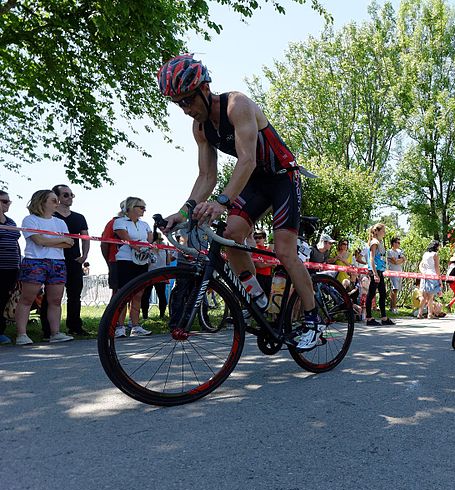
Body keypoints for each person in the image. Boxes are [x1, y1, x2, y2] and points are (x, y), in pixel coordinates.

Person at [158, 54, 322, 351]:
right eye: (178, 103)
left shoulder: (237, 105)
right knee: (230, 235)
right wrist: (183, 212)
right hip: (256, 182)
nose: (185, 109)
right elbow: (206, 176)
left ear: (204, 89)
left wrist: (222, 201)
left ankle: (313, 320)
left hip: (283, 177)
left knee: (285, 252)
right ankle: (260, 304)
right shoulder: (200, 128)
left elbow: (246, 159)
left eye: (187, 100)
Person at [15, 190, 74, 345]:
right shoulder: (30, 220)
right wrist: (59, 240)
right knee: (27, 298)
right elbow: (38, 240)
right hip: (35, 261)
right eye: (54, 200)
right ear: (42, 202)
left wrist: (50, 240)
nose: (57, 203)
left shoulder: (60, 222)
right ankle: (21, 334)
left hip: (57, 262)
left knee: (55, 300)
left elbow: (70, 243)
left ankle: (55, 333)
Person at [39, 184, 89, 337]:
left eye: (71, 194)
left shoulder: (79, 217)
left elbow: (85, 237)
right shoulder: (50, 217)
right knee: (51, 296)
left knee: (75, 295)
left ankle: (75, 326)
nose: (70, 198)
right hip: (54, 260)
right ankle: (48, 330)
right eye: (65, 195)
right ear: (57, 197)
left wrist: (85, 255)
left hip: (74, 260)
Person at [113, 197, 153, 337]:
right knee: (124, 293)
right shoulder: (119, 222)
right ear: (130, 207)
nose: (144, 210)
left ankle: (135, 325)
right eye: (141, 207)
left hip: (141, 260)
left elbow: (149, 240)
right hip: (125, 259)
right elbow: (125, 238)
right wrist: (139, 247)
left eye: (144, 207)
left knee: (138, 294)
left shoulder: (145, 224)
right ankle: (119, 326)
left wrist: (144, 250)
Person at [0, 190, 21, 345]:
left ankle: (1, 331)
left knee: (4, 299)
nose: (8, 205)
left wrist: (19, 263)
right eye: (4, 201)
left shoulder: (11, 222)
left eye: (9, 202)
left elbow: (15, 243)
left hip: (11, 267)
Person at [365, 223, 393, 326]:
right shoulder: (374, 242)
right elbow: (371, 258)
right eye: (383, 231)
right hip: (375, 270)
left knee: (383, 294)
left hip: (380, 270)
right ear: (377, 231)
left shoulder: (380, 242)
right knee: (371, 294)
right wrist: (375, 274)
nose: (384, 233)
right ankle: (369, 318)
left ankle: (384, 317)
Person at [140, 231, 171, 320]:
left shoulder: (148, 247)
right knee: (161, 295)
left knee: (146, 295)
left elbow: (145, 261)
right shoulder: (166, 247)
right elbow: (168, 262)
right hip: (161, 273)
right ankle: (162, 315)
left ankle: (145, 316)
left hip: (150, 273)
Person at [419, 240, 444, 319]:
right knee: (430, 296)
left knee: (424, 296)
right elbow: (437, 267)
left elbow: (421, 265)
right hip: (432, 275)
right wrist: (439, 279)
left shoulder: (425, 254)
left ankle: (420, 313)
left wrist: (423, 272)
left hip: (424, 275)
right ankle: (429, 314)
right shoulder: (435, 254)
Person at [387, 236, 405, 313]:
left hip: (399, 272)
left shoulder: (399, 251)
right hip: (393, 271)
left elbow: (404, 259)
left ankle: (392, 307)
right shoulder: (389, 251)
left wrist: (399, 260)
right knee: (394, 289)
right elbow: (395, 262)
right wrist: (399, 260)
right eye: (398, 242)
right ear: (393, 243)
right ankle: (393, 307)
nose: (399, 244)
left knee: (396, 290)